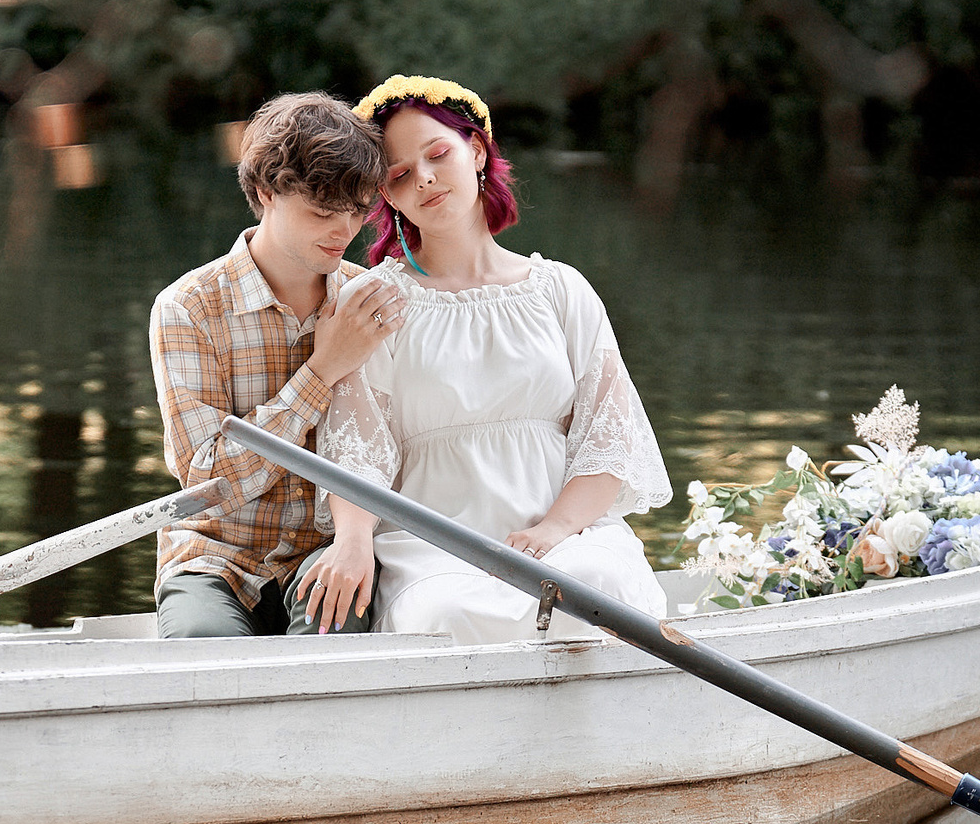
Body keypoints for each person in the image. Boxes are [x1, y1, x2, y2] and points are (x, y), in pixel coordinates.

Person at [312, 75, 670, 644]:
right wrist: (351, 541)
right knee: (448, 615)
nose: (424, 178)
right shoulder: (374, 302)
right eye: (400, 175)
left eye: (438, 155)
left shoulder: (561, 290)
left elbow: (609, 441)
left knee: (596, 586)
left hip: (565, 532)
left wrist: (553, 529)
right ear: (388, 196)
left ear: (476, 151)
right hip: (434, 546)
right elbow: (357, 452)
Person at [149, 92, 407, 638]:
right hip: (213, 554)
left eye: (357, 213)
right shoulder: (188, 308)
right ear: (267, 192)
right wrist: (322, 371)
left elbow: (389, 452)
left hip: (327, 553)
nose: (344, 232)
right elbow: (208, 480)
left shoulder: (367, 303)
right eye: (322, 213)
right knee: (202, 654)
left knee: (328, 644)